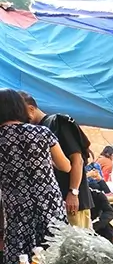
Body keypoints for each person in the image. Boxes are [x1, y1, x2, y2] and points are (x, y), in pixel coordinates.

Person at [0, 89, 70, 264]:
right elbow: (66, 166)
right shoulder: (42, 132)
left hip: (16, 207)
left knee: (21, 257)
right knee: (55, 252)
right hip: (49, 203)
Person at [19, 92, 93, 228]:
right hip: (54, 202)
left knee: (77, 239)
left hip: (72, 200)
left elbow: (77, 160)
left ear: (31, 109)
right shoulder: (35, 131)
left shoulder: (57, 122)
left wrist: (73, 192)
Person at [87, 173, 113, 243]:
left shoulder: (97, 195)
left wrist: (95, 225)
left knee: (107, 230)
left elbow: (110, 212)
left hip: (97, 226)